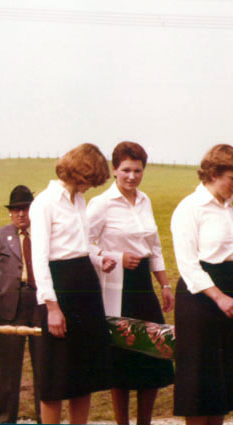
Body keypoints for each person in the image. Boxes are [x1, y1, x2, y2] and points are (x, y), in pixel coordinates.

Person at [171, 144, 233, 425]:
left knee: (221, 381)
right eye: (232, 179)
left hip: (229, 292)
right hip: (200, 299)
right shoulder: (190, 208)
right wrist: (219, 297)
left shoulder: (226, 206)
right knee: (201, 382)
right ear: (212, 174)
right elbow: (187, 264)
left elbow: (231, 252)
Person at [87, 141, 175, 425]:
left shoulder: (145, 200)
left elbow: (154, 245)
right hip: (115, 286)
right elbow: (82, 243)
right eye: (126, 170)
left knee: (152, 353)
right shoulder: (100, 204)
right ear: (114, 170)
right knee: (121, 359)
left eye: (137, 170)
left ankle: (144, 422)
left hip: (143, 286)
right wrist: (111, 256)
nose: (131, 176)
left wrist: (163, 283)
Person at [29, 143, 116, 424]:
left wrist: (98, 258)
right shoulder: (44, 202)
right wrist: (52, 307)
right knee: (55, 378)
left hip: (85, 288)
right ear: (79, 171)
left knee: (84, 375)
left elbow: (79, 245)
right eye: (90, 179)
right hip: (60, 289)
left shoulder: (79, 200)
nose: (90, 186)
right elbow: (39, 258)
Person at [0, 185, 43, 424]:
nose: (21, 214)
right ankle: (7, 419)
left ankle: (45, 418)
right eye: (16, 209)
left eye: (25, 209)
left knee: (43, 366)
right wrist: (3, 295)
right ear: (10, 212)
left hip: (39, 305)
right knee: (9, 369)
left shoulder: (42, 235)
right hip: (10, 307)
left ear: (33, 211)